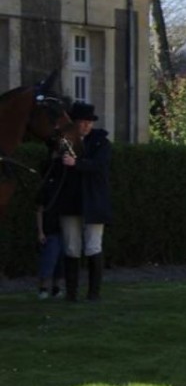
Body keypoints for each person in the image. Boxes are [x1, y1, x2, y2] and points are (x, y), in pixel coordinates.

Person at [58, 101, 112, 302]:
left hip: (93, 201)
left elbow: (99, 166)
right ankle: (71, 293)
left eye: (89, 122)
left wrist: (76, 164)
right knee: (71, 247)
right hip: (71, 201)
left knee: (93, 246)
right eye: (82, 122)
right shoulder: (64, 142)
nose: (86, 126)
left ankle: (93, 293)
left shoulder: (101, 142)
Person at [34, 142, 67, 300]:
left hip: (58, 226)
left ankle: (53, 288)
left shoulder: (59, 185)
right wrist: (40, 231)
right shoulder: (49, 186)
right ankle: (45, 288)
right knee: (50, 259)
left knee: (58, 260)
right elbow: (40, 209)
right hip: (51, 227)